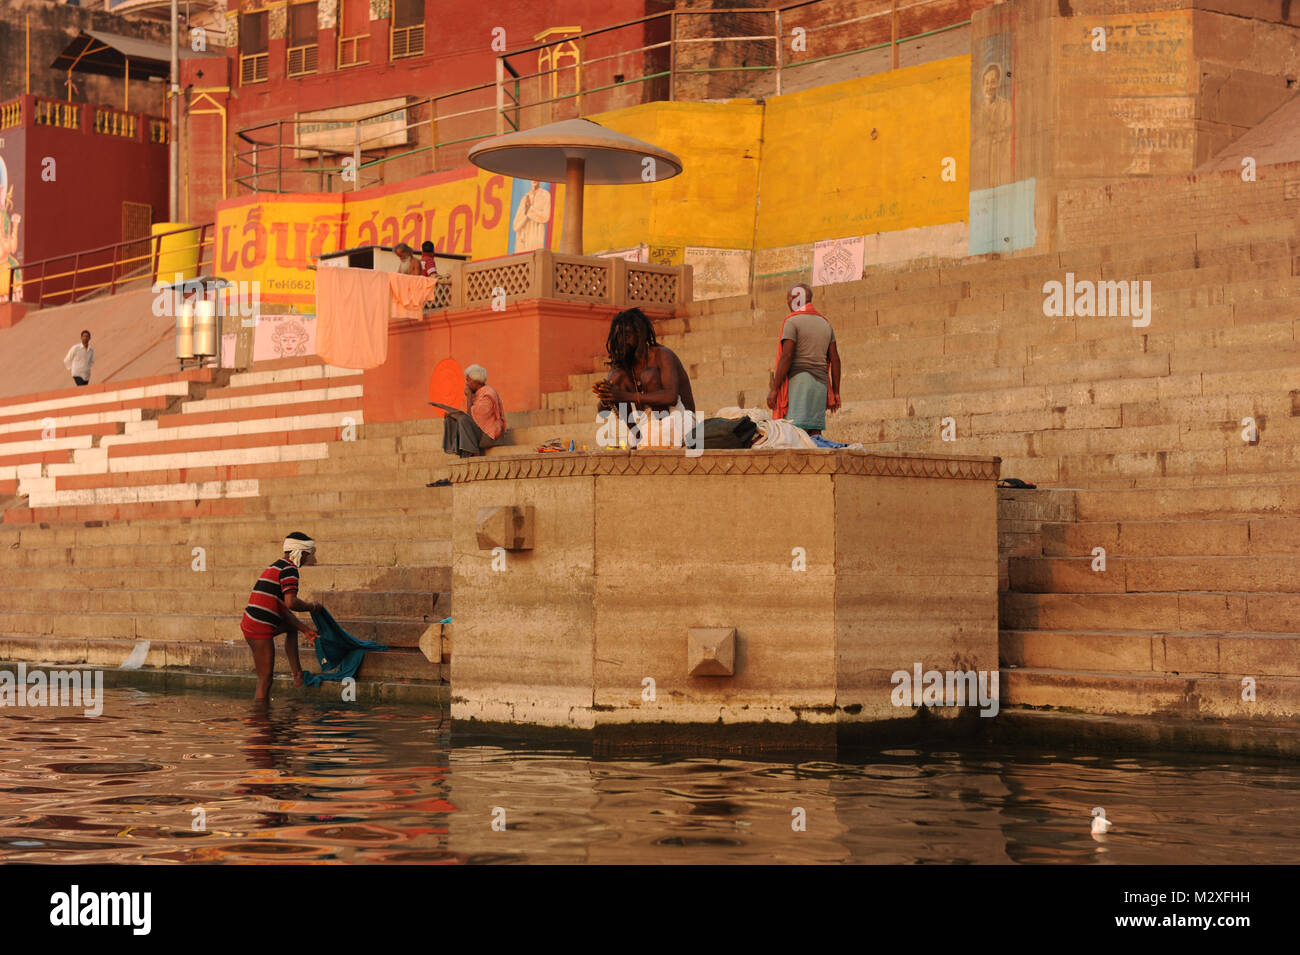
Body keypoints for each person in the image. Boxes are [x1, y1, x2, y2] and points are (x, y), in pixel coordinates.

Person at [592, 308, 695, 448]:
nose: (622, 341)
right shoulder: (621, 368)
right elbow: (602, 412)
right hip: (648, 426)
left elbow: (671, 397)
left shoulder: (662, 355)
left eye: (627, 335)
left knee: (649, 376)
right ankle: (639, 437)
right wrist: (607, 397)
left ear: (640, 334)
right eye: (618, 337)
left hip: (681, 419)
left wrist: (623, 395)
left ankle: (651, 439)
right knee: (618, 377)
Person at [240, 531, 323, 701]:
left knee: (292, 629)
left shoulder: (277, 565)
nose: (311, 559)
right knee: (265, 678)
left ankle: (297, 675)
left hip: (254, 621)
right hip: (258, 626)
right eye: (310, 554)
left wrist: (305, 630)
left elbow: (284, 609)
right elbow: (291, 603)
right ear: (302, 552)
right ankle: (261, 720)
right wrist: (311, 607)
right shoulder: (290, 569)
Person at [766, 284, 841, 436]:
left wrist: (774, 389)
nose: (787, 301)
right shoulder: (826, 324)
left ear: (796, 299)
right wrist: (836, 392)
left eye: (789, 297)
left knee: (797, 433)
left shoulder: (792, 322)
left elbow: (786, 356)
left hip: (800, 382)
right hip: (821, 385)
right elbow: (835, 359)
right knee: (815, 433)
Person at [441, 364, 505, 457]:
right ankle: (460, 450)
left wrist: (469, 397)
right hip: (477, 432)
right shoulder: (474, 393)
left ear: (476, 381)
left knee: (463, 419)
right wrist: (452, 414)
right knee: (450, 419)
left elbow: (473, 418)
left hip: (488, 436)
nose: (466, 383)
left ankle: (474, 452)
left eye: (468, 380)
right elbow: (465, 414)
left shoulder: (488, 394)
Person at [512, 180, 551, 252]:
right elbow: (516, 225)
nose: (534, 180)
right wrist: (526, 212)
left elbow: (545, 217)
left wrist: (530, 210)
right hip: (523, 241)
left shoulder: (545, 195)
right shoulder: (525, 197)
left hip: (536, 238)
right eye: (532, 178)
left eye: (537, 177)